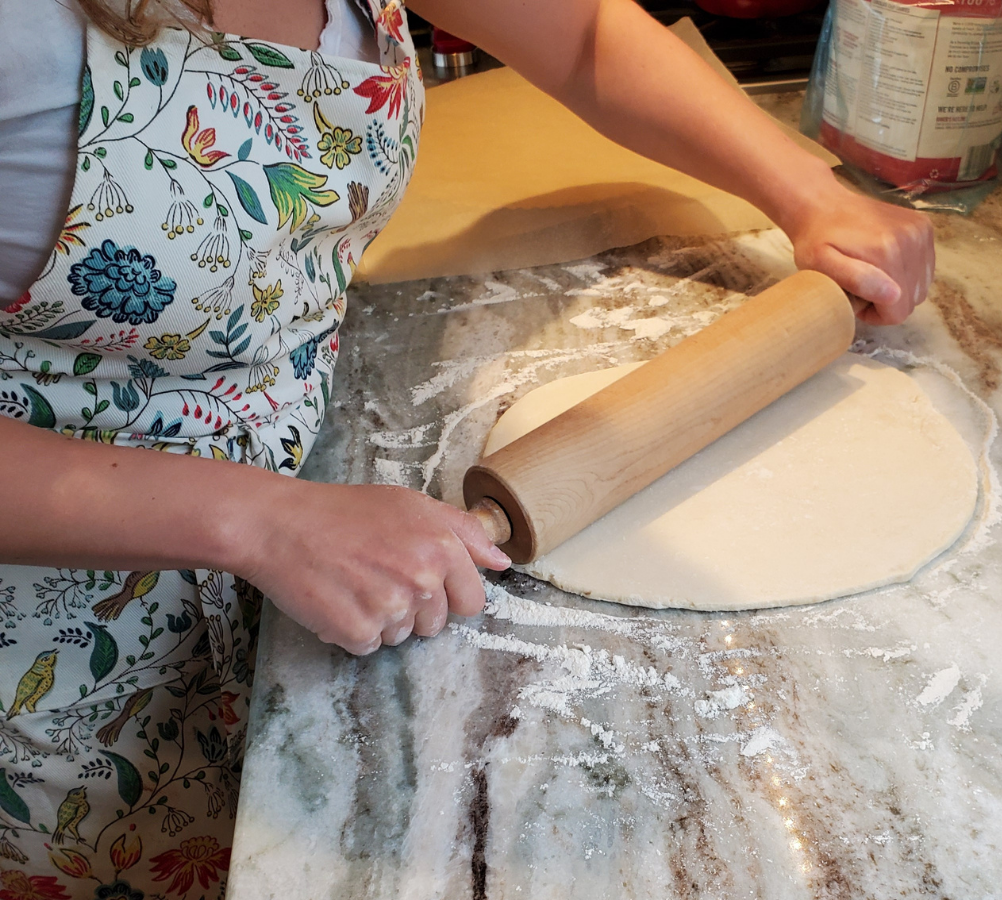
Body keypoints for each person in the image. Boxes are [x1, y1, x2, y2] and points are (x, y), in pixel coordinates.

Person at [0, 0, 934, 894]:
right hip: (69, 654)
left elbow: (585, 37)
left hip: (308, 521)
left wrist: (810, 193)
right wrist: (255, 520)